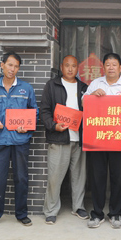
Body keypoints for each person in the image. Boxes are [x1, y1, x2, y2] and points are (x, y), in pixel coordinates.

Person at [0, 51, 38, 229]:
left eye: (16, 66)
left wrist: (27, 126)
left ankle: (21, 214)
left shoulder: (26, 89)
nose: (12, 69)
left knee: (21, 178)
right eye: (10, 65)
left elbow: (34, 111)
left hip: (20, 140)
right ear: (2, 65)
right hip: (0, 140)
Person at [84, 52, 121, 229]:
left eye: (114, 65)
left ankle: (115, 213)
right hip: (97, 138)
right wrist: (92, 95)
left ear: (120, 68)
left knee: (117, 178)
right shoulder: (95, 84)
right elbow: (84, 104)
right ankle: (97, 214)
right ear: (103, 67)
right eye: (108, 64)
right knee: (97, 178)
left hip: (119, 139)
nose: (111, 67)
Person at [40, 55, 88, 225]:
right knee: (55, 176)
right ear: (61, 67)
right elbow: (44, 110)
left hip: (79, 139)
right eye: (67, 65)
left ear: (77, 68)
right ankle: (51, 210)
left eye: (73, 66)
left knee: (79, 176)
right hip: (59, 138)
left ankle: (78, 206)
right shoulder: (52, 85)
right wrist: (54, 126)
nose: (70, 68)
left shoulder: (84, 87)